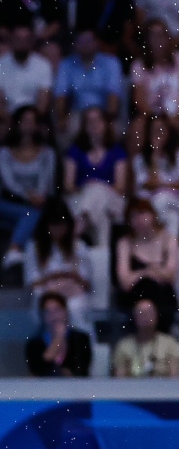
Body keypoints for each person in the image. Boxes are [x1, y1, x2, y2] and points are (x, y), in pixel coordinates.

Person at [130, 19, 179, 153]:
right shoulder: (139, 65)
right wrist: (156, 119)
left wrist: (178, 113)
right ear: (147, 40)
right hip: (151, 117)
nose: (159, 40)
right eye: (154, 36)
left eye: (162, 35)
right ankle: (139, 171)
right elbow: (138, 99)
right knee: (137, 128)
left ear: (169, 38)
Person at [63, 106, 128, 247]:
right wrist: (87, 188)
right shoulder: (75, 151)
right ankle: (102, 256)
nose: (94, 125)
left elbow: (120, 187)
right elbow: (68, 185)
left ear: (105, 124)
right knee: (101, 219)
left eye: (98, 120)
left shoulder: (117, 151)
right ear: (84, 126)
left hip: (112, 199)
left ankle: (77, 229)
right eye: (90, 121)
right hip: (80, 197)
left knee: (97, 190)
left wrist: (98, 185)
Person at [115, 199, 179, 333]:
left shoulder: (169, 240)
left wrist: (139, 274)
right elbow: (124, 282)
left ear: (153, 215)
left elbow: (170, 276)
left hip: (162, 297)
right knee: (146, 286)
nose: (139, 219)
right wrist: (150, 272)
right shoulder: (125, 243)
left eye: (142, 214)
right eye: (133, 216)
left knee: (154, 289)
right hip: (134, 297)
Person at [25, 199, 92, 331]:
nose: (58, 230)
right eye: (54, 226)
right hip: (47, 292)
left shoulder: (79, 246)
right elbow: (31, 282)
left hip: (73, 292)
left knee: (75, 307)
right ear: (46, 225)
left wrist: (72, 276)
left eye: (61, 226)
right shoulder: (34, 247)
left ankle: (81, 345)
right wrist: (54, 277)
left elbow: (87, 283)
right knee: (47, 305)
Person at [0, 106, 55, 267]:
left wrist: (38, 196)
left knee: (32, 214)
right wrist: (28, 195)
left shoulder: (47, 153)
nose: (28, 125)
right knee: (30, 215)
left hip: (36, 204)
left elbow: (46, 181)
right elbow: (8, 182)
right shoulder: (4, 153)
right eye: (25, 121)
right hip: (10, 203)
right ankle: (16, 248)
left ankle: (15, 248)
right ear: (17, 124)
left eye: (32, 121)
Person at [132, 116, 179, 237]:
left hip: (177, 202)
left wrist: (161, 185)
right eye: (155, 131)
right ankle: (169, 252)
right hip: (149, 205)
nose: (158, 135)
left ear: (168, 132)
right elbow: (149, 184)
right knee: (173, 218)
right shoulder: (140, 159)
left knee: (162, 197)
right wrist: (154, 156)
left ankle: (153, 242)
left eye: (161, 130)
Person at [53, 31, 124, 139]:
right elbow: (60, 95)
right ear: (75, 44)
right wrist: (61, 117)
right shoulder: (66, 64)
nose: (85, 45)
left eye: (89, 41)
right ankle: (73, 156)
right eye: (81, 41)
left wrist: (109, 119)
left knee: (116, 129)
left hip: (104, 113)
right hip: (77, 113)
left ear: (97, 43)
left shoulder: (111, 62)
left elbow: (113, 94)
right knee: (67, 128)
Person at [112, 298, 179, 378]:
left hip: (163, 388)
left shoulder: (170, 343)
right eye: (141, 314)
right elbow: (119, 381)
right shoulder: (124, 346)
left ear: (156, 316)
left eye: (149, 313)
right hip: (132, 389)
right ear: (134, 318)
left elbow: (175, 378)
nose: (145, 317)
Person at [25, 293, 92, 377]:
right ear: (42, 315)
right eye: (48, 311)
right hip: (44, 388)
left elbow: (80, 369)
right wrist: (58, 337)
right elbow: (38, 370)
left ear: (66, 312)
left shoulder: (81, 339)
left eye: (57, 310)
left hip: (75, 388)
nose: (54, 315)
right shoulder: (34, 343)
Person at [0, 26, 53, 122]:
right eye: (18, 39)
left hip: (33, 118)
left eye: (25, 39)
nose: (22, 43)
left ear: (31, 42)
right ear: (11, 41)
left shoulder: (43, 65)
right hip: (7, 118)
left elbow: (43, 103)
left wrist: (30, 119)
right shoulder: (1, 64)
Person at [72, 0, 136, 53]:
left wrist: (118, 47)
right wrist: (105, 49)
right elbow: (84, 30)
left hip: (118, 47)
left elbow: (128, 27)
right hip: (91, 47)